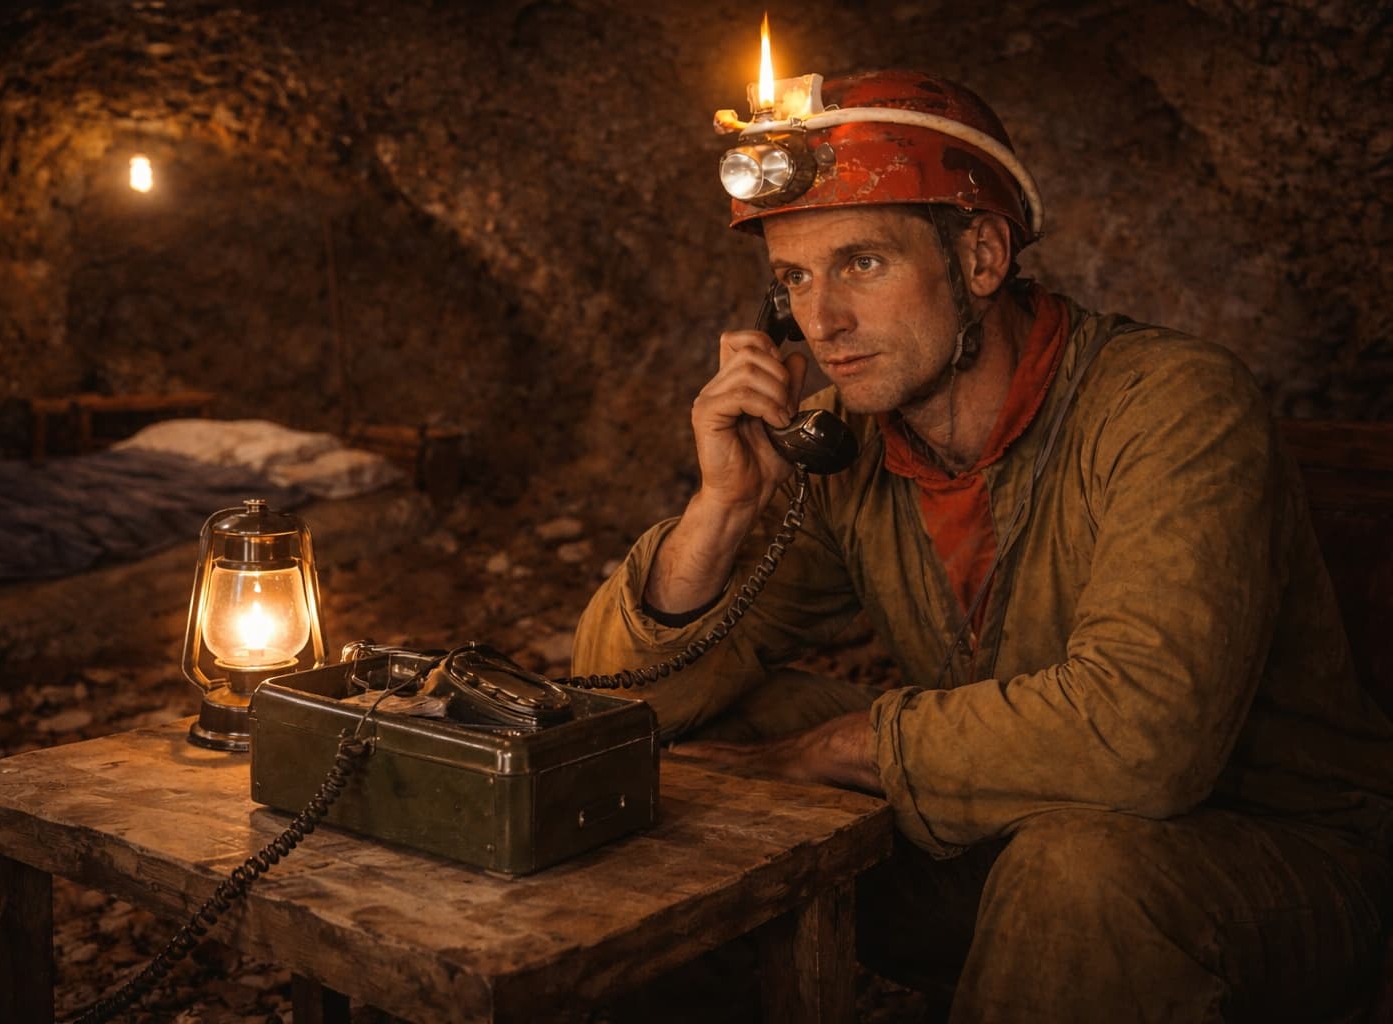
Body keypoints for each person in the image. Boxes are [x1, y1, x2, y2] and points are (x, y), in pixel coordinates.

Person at [571, 68, 1393, 1020]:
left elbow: (1146, 743)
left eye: (862, 264)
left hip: (1275, 862)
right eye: (794, 279)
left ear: (983, 258)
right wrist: (719, 508)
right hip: (1014, 834)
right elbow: (620, 703)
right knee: (707, 741)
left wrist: (840, 747)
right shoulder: (853, 441)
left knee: (1080, 877)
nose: (822, 322)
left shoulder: (1173, 405)